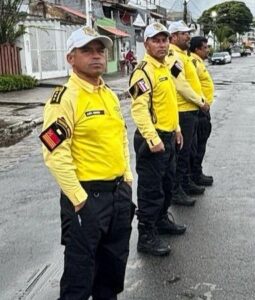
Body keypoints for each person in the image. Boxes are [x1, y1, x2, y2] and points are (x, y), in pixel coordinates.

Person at [40, 26, 135, 299]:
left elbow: (120, 138)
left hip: (117, 195)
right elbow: (54, 153)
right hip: (86, 198)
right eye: (87, 51)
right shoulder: (64, 99)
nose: (96, 56)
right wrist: (79, 200)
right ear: (71, 58)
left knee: (112, 272)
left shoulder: (108, 94)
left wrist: (127, 177)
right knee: (79, 277)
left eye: (100, 50)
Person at [129, 22, 187, 256]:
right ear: (146, 44)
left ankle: (161, 220)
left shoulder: (165, 67)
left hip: (169, 136)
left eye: (165, 40)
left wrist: (177, 128)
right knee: (150, 191)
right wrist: (152, 138)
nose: (162, 44)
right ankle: (146, 235)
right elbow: (139, 109)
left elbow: (169, 104)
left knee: (166, 185)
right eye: (156, 40)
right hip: (152, 141)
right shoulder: (143, 72)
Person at [166, 21, 210, 204]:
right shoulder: (173, 57)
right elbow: (181, 85)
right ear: (174, 36)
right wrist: (200, 101)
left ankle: (185, 184)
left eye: (188, 33)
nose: (188, 37)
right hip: (183, 111)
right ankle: (177, 191)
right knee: (182, 154)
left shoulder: (183, 56)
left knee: (188, 153)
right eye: (184, 33)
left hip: (190, 111)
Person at [189, 36, 214, 186]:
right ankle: (195, 175)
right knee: (197, 146)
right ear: (197, 49)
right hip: (198, 109)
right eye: (205, 47)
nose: (207, 50)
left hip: (202, 108)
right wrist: (202, 103)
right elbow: (191, 86)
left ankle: (197, 172)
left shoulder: (197, 62)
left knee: (200, 144)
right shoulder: (192, 62)